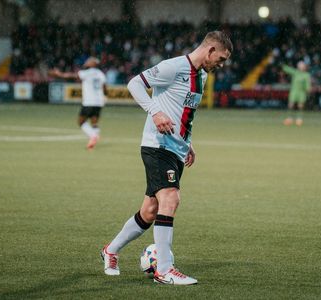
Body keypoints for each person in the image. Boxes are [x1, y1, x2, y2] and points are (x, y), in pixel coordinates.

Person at [100, 31, 233, 285]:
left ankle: (110, 251)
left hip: (176, 149)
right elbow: (134, 84)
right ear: (210, 51)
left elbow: (183, 112)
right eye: (222, 58)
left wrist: (188, 142)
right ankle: (164, 270)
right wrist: (155, 112)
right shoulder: (173, 67)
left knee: (150, 211)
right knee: (170, 198)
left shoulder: (202, 76)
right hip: (156, 146)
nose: (222, 64)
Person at [49, 57, 107, 149]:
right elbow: (104, 88)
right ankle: (94, 140)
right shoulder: (100, 74)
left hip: (89, 101)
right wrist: (104, 96)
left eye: (89, 61)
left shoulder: (87, 73)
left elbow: (72, 76)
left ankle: (93, 136)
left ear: (93, 64)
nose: (87, 61)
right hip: (99, 102)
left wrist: (59, 74)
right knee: (94, 122)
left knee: (81, 121)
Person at [282, 61, 311, 126]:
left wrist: (308, 89)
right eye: (299, 66)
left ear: (304, 67)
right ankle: (289, 119)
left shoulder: (306, 75)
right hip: (294, 91)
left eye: (302, 66)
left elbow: (308, 85)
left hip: (301, 92)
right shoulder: (295, 72)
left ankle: (299, 119)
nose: (300, 67)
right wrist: (282, 65)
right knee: (290, 105)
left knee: (300, 106)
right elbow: (287, 69)